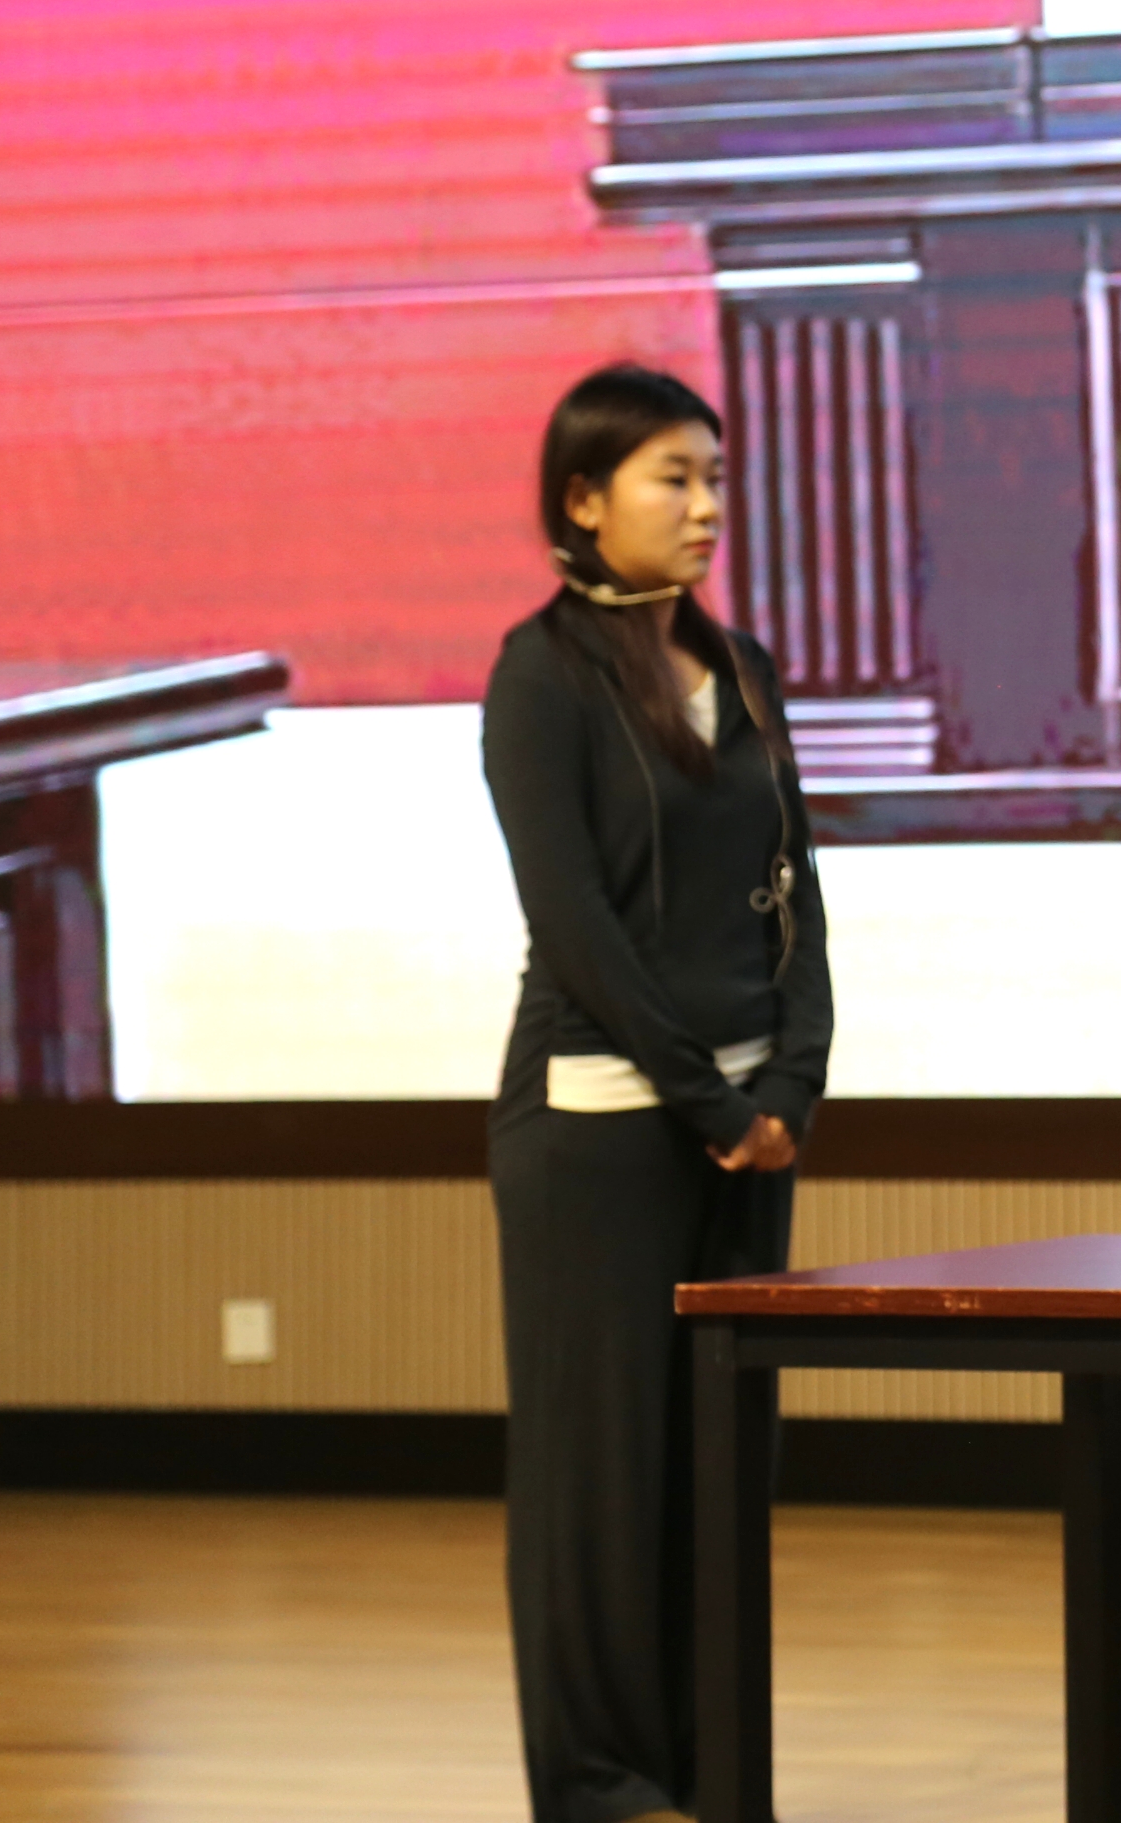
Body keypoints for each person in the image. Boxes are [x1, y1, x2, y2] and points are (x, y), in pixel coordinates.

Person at [484, 364, 833, 1823]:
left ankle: (712, 1765)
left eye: (715, 479)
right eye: (672, 479)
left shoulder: (741, 664)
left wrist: (794, 1081)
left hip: (749, 1130)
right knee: (603, 1475)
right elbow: (578, 928)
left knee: (719, 1466)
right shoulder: (540, 673)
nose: (705, 508)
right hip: (600, 1131)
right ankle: (600, 1781)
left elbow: (797, 891)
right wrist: (710, 1101)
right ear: (583, 499)